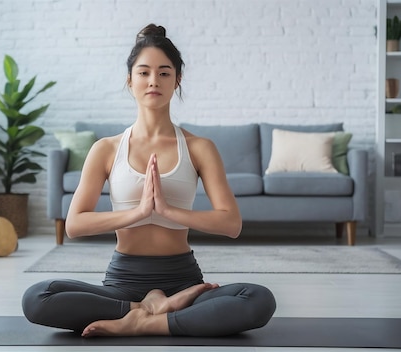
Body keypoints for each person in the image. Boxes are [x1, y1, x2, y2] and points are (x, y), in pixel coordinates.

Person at [22, 23, 276, 337]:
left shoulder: (200, 148)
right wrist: (139, 213)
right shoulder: (106, 149)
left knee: (258, 300)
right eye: (143, 72)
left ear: (177, 80)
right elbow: (74, 225)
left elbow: (231, 224)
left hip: (184, 281)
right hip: (123, 284)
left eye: (164, 72)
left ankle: (145, 321)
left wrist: (169, 212)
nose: (153, 81)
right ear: (129, 81)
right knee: (37, 298)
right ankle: (145, 310)